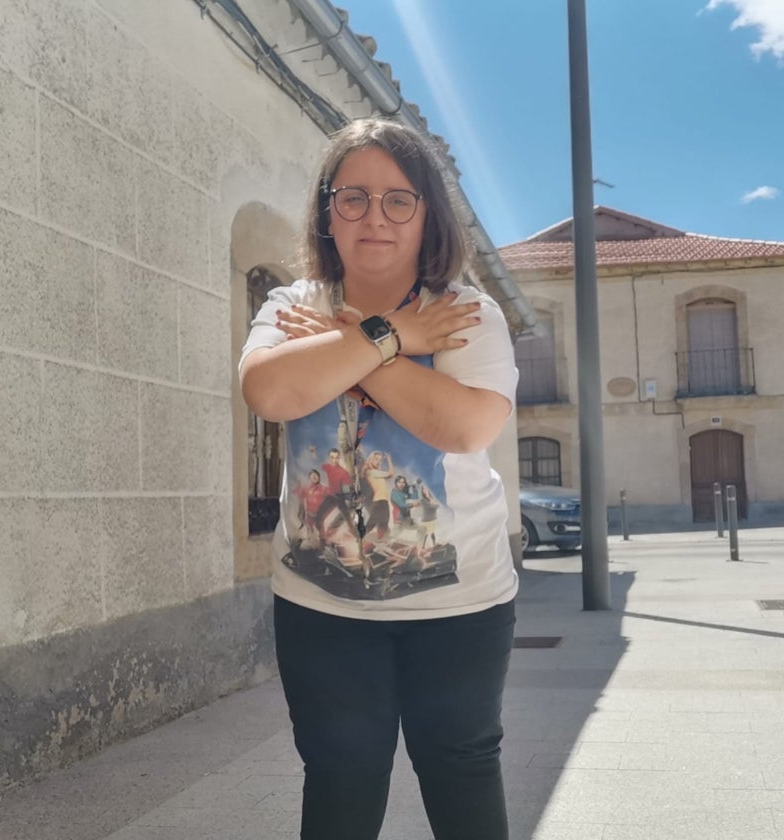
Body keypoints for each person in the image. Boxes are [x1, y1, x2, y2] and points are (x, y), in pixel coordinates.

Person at [238, 117, 518, 840]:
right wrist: (393, 340)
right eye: (353, 197)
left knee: (460, 770)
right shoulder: (290, 305)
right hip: (320, 605)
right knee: (339, 777)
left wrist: (353, 361)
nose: (375, 217)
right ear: (327, 211)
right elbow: (271, 395)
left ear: (428, 215)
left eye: (399, 200)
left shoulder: (465, 314)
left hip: (460, 603)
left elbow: (462, 428)